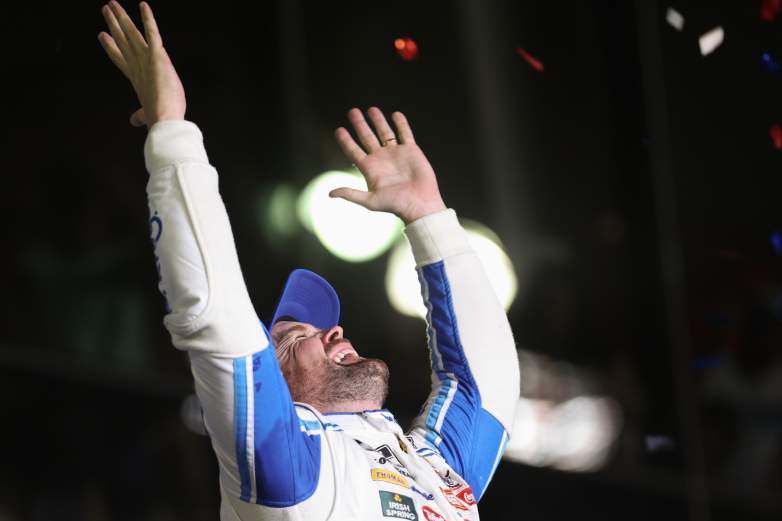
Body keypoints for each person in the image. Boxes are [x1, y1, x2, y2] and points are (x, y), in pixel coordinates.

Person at [98, 2, 520, 520]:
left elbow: (487, 386)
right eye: (295, 338)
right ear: (268, 386)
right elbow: (217, 319)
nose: (336, 332)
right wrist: (171, 132)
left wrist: (429, 218)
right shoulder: (292, 471)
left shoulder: (430, 470)